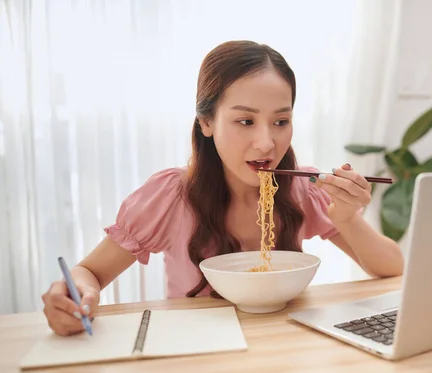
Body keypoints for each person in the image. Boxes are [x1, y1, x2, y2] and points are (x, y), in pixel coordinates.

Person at [41, 40, 404, 336]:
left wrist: (348, 218)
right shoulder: (170, 197)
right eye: (245, 120)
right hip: (195, 356)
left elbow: (391, 268)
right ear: (207, 122)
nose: (266, 143)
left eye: (281, 121)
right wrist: (76, 293)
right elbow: (90, 271)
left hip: (286, 351)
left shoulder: (303, 189)